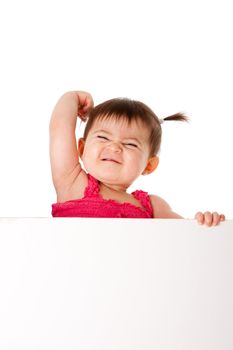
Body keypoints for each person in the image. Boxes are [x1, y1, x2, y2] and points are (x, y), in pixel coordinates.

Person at [49, 91, 225, 226]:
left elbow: (184, 236)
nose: (114, 147)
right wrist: (72, 97)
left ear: (149, 165)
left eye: (130, 144)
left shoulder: (153, 207)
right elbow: (60, 128)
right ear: (81, 148)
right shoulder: (72, 182)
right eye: (103, 137)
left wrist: (206, 223)